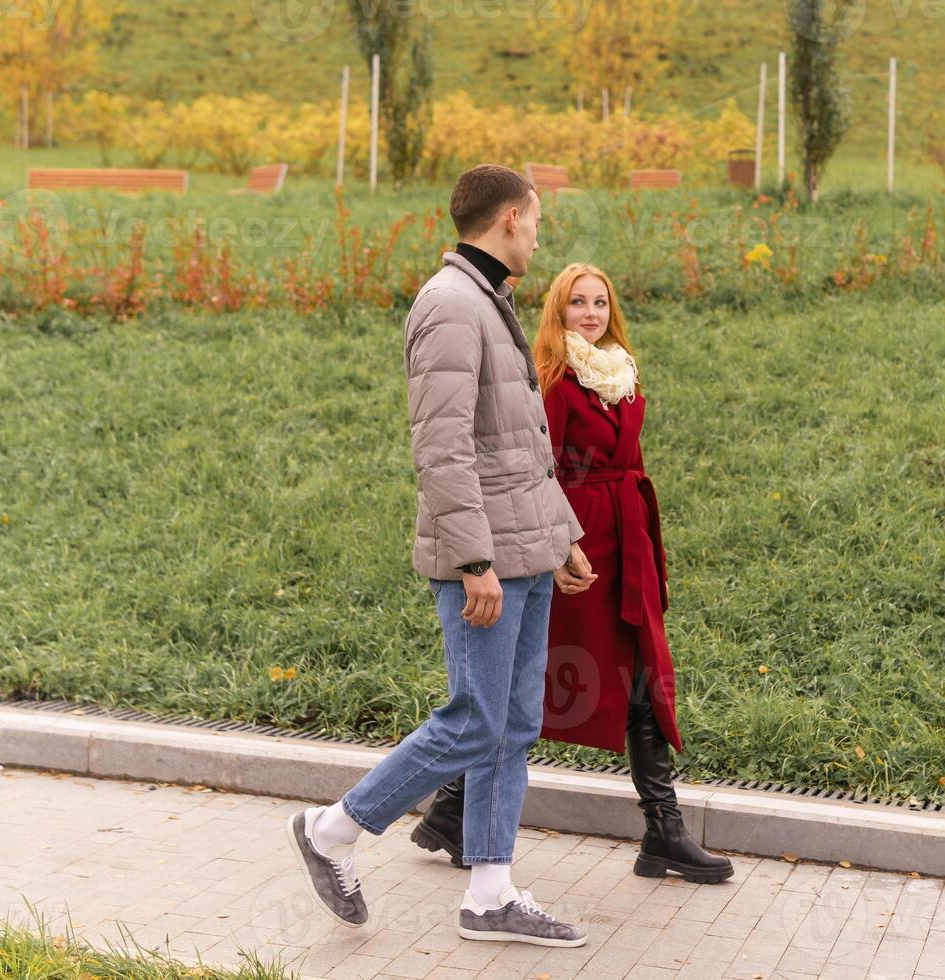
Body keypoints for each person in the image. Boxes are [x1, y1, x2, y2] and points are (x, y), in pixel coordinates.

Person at [285, 165, 598, 947]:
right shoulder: (452, 304)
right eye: (536, 221)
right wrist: (472, 561)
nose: (539, 235)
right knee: (472, 720)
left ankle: (489, 894)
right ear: (511, 219)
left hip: (523, 551)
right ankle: (332, 831)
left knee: (513, 726)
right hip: (484, 561)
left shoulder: (489, 302)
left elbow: (519, 445)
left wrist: (560, 538)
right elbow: (444, 447)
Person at [411, 263, 735, 884]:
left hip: (625, 546)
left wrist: (644, 541)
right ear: (557, 312)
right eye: (577, 303)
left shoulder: (623, 375)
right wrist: (560, 546)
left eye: (601, 303)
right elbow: (537, 473)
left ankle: (661, 830)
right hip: (570, 551)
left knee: (640, 674)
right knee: (530, 686)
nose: (591, 313)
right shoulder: (554, 382)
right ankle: (453, 807)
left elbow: (632, 460)